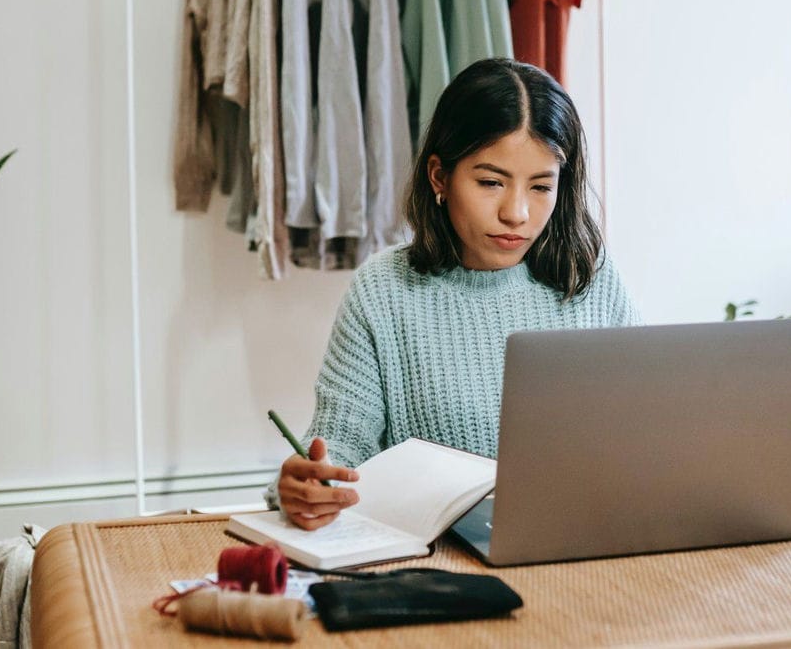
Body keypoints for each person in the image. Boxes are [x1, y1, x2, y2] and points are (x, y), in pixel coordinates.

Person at [271, 58, 639, 530]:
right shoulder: (383, 292)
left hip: (585, 541)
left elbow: (644, 433)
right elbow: (337, 448)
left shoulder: (590, 277)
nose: (517, 213)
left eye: (542, 186)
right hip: (441, 563)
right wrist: (307, 487)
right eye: (490, 182)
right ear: (439, 177)